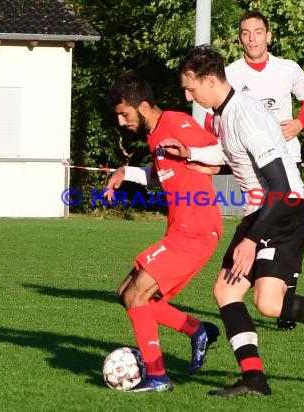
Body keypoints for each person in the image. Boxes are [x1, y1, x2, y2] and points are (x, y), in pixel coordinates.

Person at [160, 45, 304, 397]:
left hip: (284, 211)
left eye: (190, 87)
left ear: (210, 80)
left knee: (267, 302)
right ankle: (254, 378)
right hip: (264, 211)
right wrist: (193, 153)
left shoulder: (243, 114)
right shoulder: (227, 113)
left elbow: (282, 186)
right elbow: (232, 152)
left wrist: (251, 241)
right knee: (228, 291)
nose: (187, 94)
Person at [104, 73, 223, 393]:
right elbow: (159, 175)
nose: (121, 121)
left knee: (136, 296)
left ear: (143, 106)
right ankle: (198, 330)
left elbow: (219, 152)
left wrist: (194, 154)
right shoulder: (155, 137)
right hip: (180, 230)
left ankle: (158, 377)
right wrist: (123, 172)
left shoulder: (175, 122)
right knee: (125, 292)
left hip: (197, 229)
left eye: (125, 114)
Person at [205, 11, 304, 169]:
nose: (252, 39)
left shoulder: (288, 68)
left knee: (290, 195)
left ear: (268, 36)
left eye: (258, 32)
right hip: (249, 163)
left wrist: (300, 123)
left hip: (287, 156)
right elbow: (211, 119)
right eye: (246, 34)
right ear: (240, 39)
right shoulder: (229, 75)